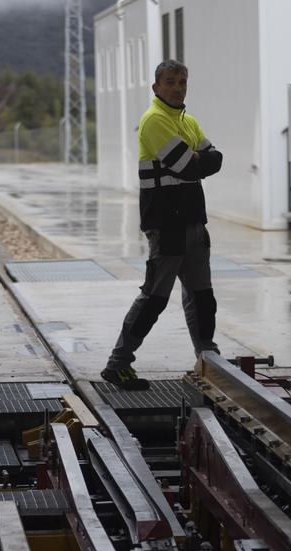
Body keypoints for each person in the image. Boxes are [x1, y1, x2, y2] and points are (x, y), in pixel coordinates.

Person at [101, 59, 223, 391]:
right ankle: (118, 363)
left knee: (202, 297)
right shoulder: (154, 120)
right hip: (167, 225)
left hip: (195, 222)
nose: (177, 87)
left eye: (182, 81)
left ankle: (207, 359)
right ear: (156, 87)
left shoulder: (187, 121)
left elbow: (216, 159)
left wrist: (201, 160)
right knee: (154, 298)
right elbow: (187, 166)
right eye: (170, 82)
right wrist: (199, 159)